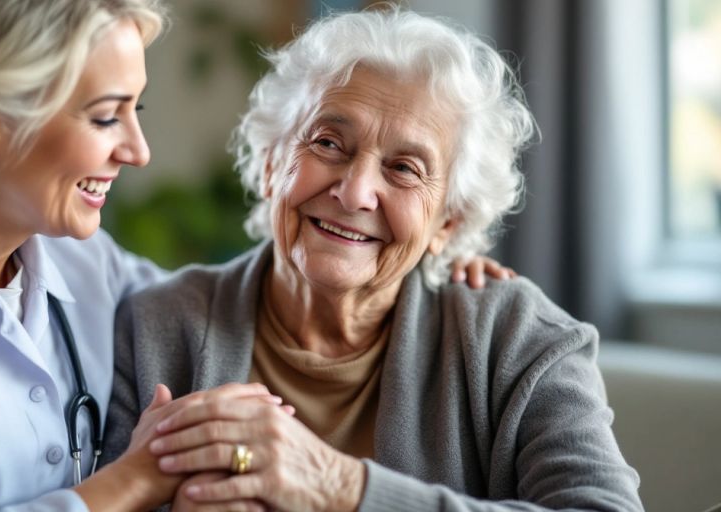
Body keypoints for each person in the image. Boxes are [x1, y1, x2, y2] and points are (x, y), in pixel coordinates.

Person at [0, 1, 512, 510]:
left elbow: (238, 309)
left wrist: (436, 269)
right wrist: (135, 477)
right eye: (106, 116)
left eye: (137, 109)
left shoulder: (74, 266)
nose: (137, 148)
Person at [104, 8, 643, 512]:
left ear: (448, 223)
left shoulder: (519, 341)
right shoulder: (155, 327)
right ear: (271, 164)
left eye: (405, 169)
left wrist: (343, 488)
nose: (356, 191)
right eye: (328, 143)